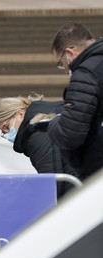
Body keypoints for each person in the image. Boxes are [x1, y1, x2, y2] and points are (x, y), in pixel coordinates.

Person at [0, 94, 77, 197]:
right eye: (3, 132)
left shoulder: (38, 134)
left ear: (20, 114)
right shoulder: (52, 117)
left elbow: (52, 184)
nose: (7, 134)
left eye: (6, 127)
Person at [48, 23, 103, 180]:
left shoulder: (86, 75)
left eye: (61, 63)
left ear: (69, 53)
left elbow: (69, 134)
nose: (65, 69)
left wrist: (52, 124)